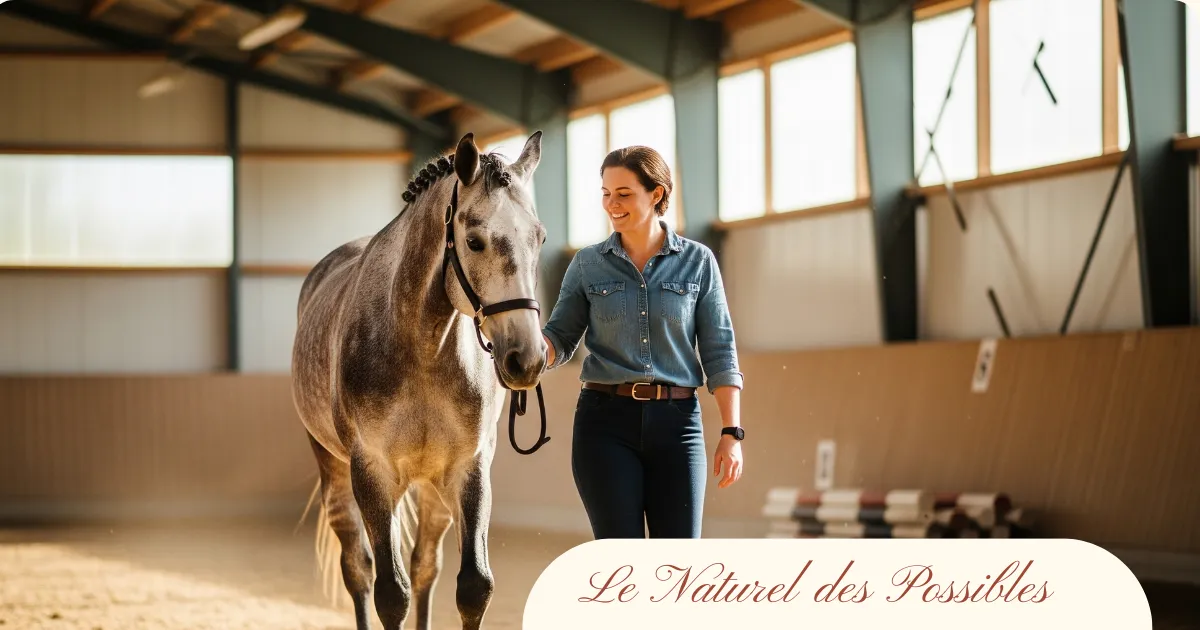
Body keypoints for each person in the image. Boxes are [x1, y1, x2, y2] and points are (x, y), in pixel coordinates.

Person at [540, 145, 745, 540]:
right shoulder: (587, 264)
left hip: (678, 426)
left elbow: (720, 350)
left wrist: (731, 433)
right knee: (622, 562)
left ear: (656, 194)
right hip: (604, 425)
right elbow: (560, 338)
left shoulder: (698, 263)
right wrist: (526, 350)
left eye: (623, 193)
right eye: (605, 193)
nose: (611, 204)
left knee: (677, 564)